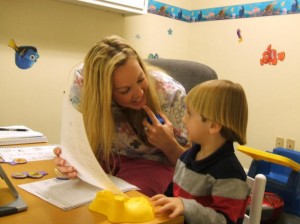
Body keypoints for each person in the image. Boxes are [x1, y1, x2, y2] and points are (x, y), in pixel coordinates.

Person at [54, 35, 189, 197]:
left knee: (127, 202)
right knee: (72, 192)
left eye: (141, 79)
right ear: (105, 93)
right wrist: (70, 160)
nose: (139, 93)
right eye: (124, 90)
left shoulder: (169, 93)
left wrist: (168, 143)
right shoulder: (85, 83)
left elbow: (192, 168)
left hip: (152, 164)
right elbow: (78, 142)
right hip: (104, 158)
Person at [151, 79, 250, 224]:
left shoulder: (230, 174)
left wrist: (185, 206)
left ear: (213, 126)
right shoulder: (188, 156)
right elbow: (173, 194)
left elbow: (224, 220)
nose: (184, 120)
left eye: (189, 113)